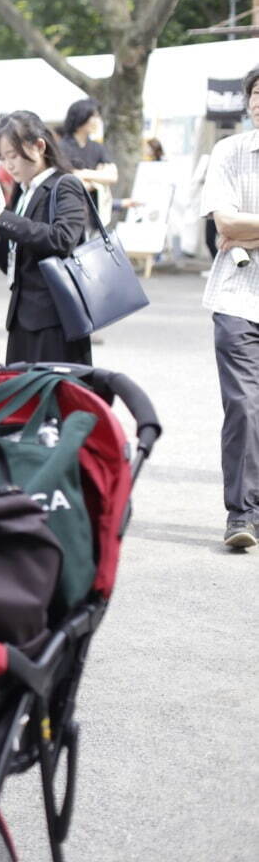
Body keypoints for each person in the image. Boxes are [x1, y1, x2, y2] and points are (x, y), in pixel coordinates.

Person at [201, 64, 259, 551]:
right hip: (237, 295)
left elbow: (238, 228)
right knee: (242, 404)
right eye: (255, 93)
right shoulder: (230, 150)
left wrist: (244, 228)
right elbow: (225, 222)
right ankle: (242, 513)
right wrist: (234, 227)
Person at [0, 112, 92, 365]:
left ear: (39, 146)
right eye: (2, 159)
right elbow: (16, 258)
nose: (8, 166)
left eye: (13, 156)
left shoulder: (65, 185)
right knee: (26, 396)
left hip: (56, 316)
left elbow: (62, 239)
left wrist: (1, 218)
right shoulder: (23, 192)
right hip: (23, 316)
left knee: (55, 396)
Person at [59, 98, 118, 220]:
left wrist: (83, 173)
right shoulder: (62, 147)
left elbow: (112, 176)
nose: (98, 121)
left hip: (94, 215)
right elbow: (72, 184)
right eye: (94, 117)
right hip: (70, 214)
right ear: (81, 117)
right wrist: (98, 177)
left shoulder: (97, 148)